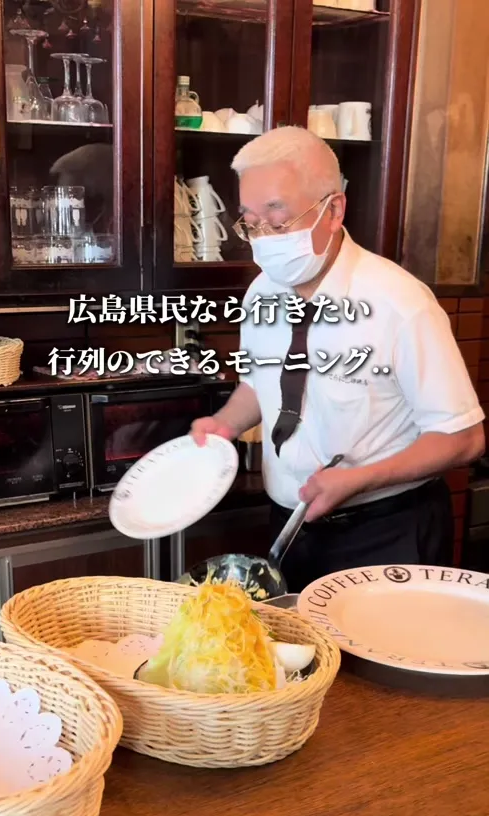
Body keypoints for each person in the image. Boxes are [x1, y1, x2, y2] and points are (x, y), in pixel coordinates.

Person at [190, 126, 485, 591]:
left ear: (334, 210)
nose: (263, 238)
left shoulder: (400, 303)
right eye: (250, 223)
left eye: (278, 221)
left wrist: (358, 479)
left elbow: (463, 438)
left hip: (385, 531)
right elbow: (259, 382)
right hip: (291, 527)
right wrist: (224, 423)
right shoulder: (262, 292)